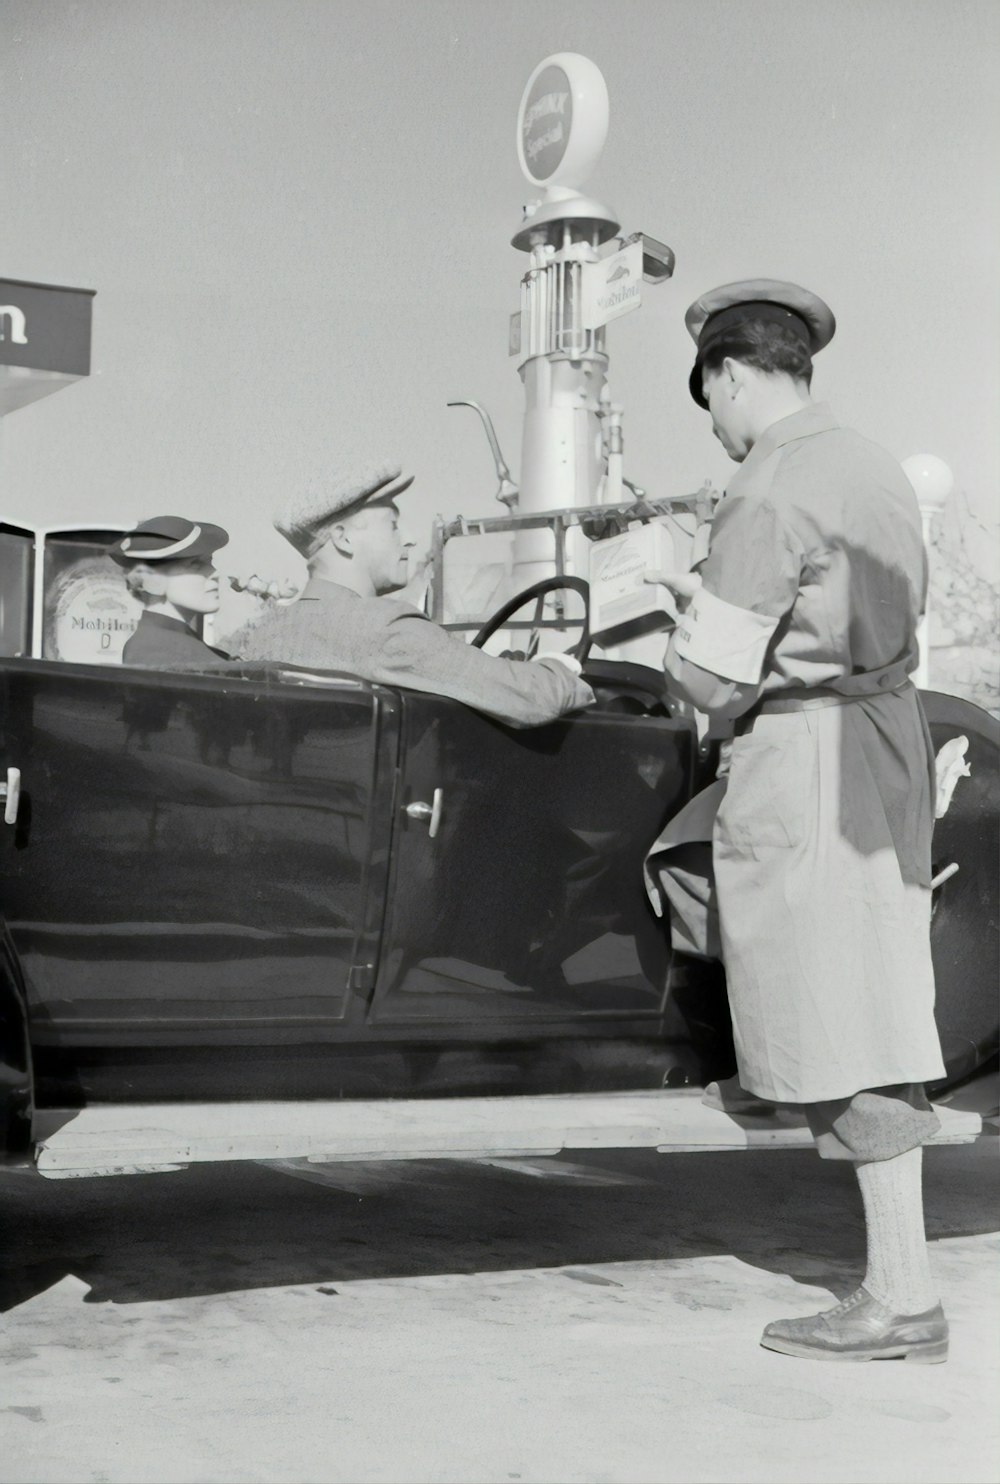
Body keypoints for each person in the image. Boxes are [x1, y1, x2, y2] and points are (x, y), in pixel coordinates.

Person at [646, 280, 948, 1363]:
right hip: (883, 736)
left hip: (806, 756)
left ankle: (900, 1293)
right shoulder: (867, 462)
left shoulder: (766, 483)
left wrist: (670, 621)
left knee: (835, 1011)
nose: (719, 431)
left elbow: (711, 684)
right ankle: (900, 1280)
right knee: (872, 995)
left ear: (726, 374)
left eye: (709, 403)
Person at [238, 461, 594, 727]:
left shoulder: (263, 637)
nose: (408, 538)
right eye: (392, 525)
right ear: (343, 539)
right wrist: (562, 668)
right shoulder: (385, 627)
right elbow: (532, 699)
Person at [110, 516, 232, 665]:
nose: (215, 573)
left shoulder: (172, 644)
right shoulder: (158, 650)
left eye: (210, 562)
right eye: (196, 563)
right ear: (152, 580)